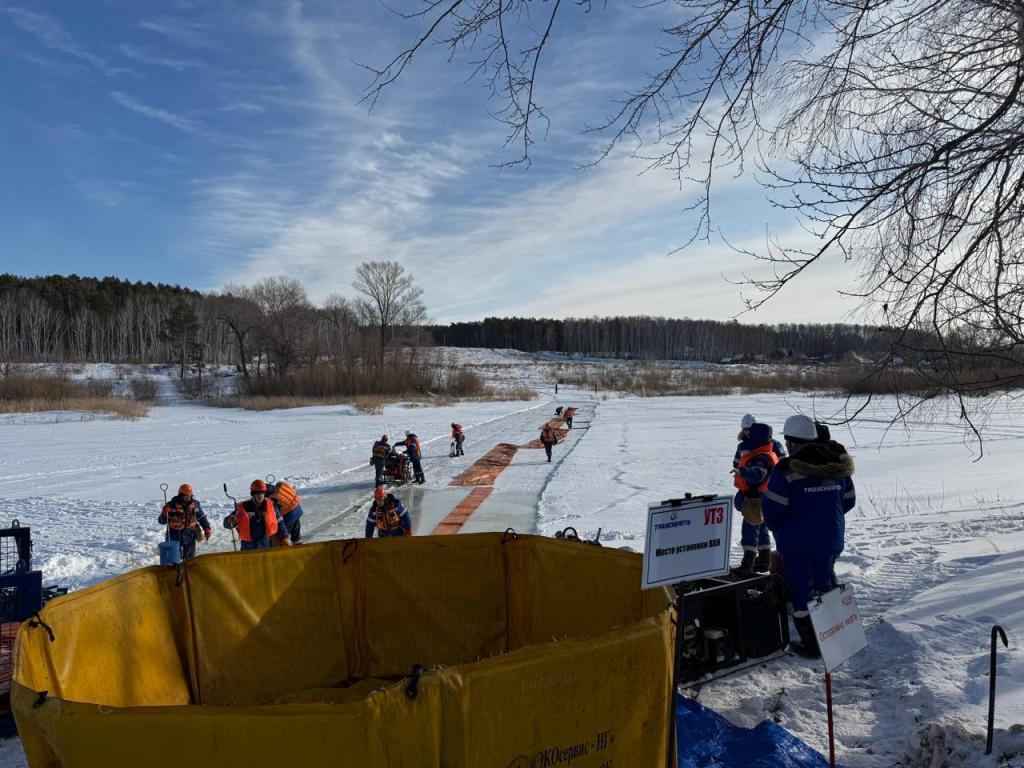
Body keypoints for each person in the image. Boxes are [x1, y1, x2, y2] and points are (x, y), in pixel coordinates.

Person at [762, 414, 856, 658]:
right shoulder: (837, 467)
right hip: (831, 540)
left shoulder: (787, 472)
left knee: (801, 589)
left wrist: (783, 527)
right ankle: (838, 638)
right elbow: (848, 501)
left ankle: (812, 645)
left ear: (791, 442)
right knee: (826, 583)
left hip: (797, 545)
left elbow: (772, 511)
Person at [731, 422, 781, 573]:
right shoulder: (767, 453)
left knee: (750, 531)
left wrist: (743, 472)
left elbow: (758, 475)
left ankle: (748, 565)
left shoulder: (761, 457)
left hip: (754, 500)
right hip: (763, 498)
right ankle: (764, 561)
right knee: (762, 528)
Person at [224, 479, 292, 550]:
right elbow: (226, 524)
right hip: (247, 546)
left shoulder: (271, 506)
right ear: (253, 494)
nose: (260, 496)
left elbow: (280, 522)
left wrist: (285, 537)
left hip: (265, 544)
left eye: (262, 493)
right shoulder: (244, 507)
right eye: (258, 494)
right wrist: (229, 521)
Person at [158, 483, 211, 561]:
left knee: (189, 560)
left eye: (190, 495)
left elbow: (201, 517)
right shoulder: (171, 505)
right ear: (181, 495)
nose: (189, 497)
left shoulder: (195, 504)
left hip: (190, 535)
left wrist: (207, 528)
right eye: (186, 495)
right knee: (174, 560)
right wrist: (164, 514)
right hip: (174, 536)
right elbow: (161, 521)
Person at [268, 479, 304, 543]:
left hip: (289, 516)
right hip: (297, 510)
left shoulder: (272, 499)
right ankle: (299, 546)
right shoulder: (282, 485)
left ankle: (286, 549)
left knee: (281, 537)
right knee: (296, 533)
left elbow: (276, 515)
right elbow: (293, 490)